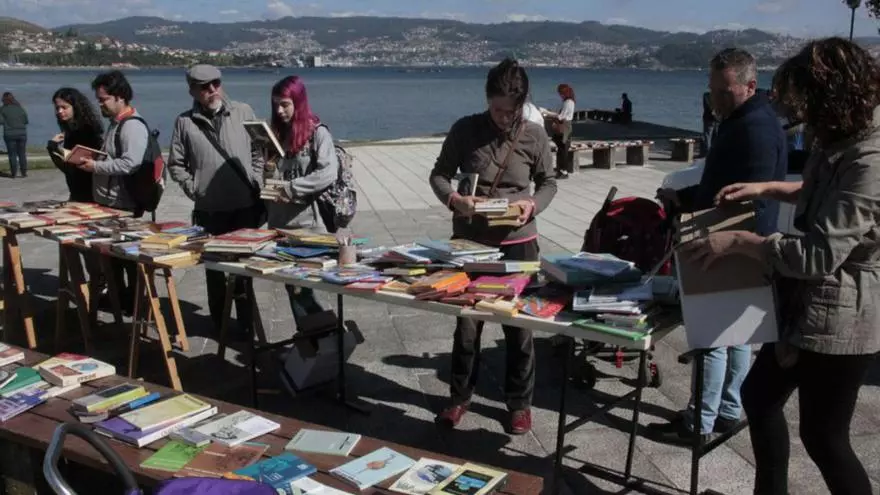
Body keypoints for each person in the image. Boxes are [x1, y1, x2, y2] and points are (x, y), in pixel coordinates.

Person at [683, 37, 880, 495]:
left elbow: (818, 255)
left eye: (809, 104)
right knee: (759, 398)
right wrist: (766, 188)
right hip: (806, 308)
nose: (803, 116)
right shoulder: (841, 139)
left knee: (825, 438)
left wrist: (740, 241)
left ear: (834, 97)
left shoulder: (870, 160)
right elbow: (821, 193)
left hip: (843, 318)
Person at [651, 48, 788, 444]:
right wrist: (685, 197)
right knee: (737, 335)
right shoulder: (746, 118)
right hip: (737, 239)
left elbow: (746, 200)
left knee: (712, 336)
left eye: (724, 92)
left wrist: (703, 217)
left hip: (730, 241)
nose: (716, 100)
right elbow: (723, 184)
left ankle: (699, 422)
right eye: (712, 90)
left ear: (750, 85)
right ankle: (727, 410)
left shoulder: (755, 128)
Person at [430, 58, 557, 435]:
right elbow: (439, 175)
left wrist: (531, 205)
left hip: (519, 243)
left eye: (511, 111)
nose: (504, 118)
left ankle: (519, 404)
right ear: (487, 100)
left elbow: (548, 183)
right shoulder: (465, 129)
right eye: (497, 110)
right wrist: (455, 200)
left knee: (519, 326)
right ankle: (458, 397)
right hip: (470, 242)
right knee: (467, 323)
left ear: (523, 103)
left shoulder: (535, 135)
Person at [167, 64, 265, 339]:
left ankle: (247, 325)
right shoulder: (184, 122)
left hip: (244, 207)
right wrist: (194, 188)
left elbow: (258, 150)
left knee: (244, 270)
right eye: (204, 86)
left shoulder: (243, 112)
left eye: (216, 83)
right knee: (213, 273)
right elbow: (176, 163)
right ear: (192, 91)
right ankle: (219, 325)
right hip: (209, 210)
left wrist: (257, 180)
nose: (212, 90)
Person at [265, 75, 335, 325]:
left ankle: (324, 334)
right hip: (279, 225)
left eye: (285, 104)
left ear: (298, 102)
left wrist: (292, 189)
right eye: (275, 105)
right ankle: (315, 337)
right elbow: (267, 174)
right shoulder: (273, 135)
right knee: (293, 288)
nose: (279, 111)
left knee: (301, 289)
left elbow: (327, 173)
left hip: (308, 225)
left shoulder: (318, 133)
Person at [78, 70, 151, 309]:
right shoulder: (115, 124)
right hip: (111, 203)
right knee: (114, 260)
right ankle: (121, 300)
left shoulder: (131, 126)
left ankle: (134, 304)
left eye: (103, 99)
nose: (100, 104)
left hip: (123, 204)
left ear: (120, 96)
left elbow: (130, 163)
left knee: (128, 259)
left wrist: (96, 166)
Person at [47, 87, 104, 202]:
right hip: (78, 190)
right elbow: (69, 166)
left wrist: (53, 148)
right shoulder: (71, 130)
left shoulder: (85, 131)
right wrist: (53, 148)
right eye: (57, 108)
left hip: (89, 192)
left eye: (64, 107)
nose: (59, 111)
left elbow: (74, 167)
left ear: (76, 107)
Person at [542, 84, 576, 179]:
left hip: (565, 127)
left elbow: (561, 117)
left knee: (563, 150)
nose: (560, 95)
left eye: (561, 93)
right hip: (565, 127)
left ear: (565, 93)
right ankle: (560, 169)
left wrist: (547, 113)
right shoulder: (568, 102)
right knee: (561, 149)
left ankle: (563, 171)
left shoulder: (568, 102)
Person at [0, 92, 29, 178]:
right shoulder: (20, 108)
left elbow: (1, 121)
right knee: (22, 153)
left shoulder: (2, 109)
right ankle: (24, 172)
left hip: (9, 134)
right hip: (22, 133)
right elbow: (26, 120)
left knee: (12, 154)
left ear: (3, 100)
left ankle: (14, 173)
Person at [701, 91, 718, 156]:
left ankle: (708, 152)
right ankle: (713, 152)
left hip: (709, 118)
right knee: (714, 136)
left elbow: (708, 107)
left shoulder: (706, 95)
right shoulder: (718, 95)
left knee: (708, 136)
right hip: (715, 119)